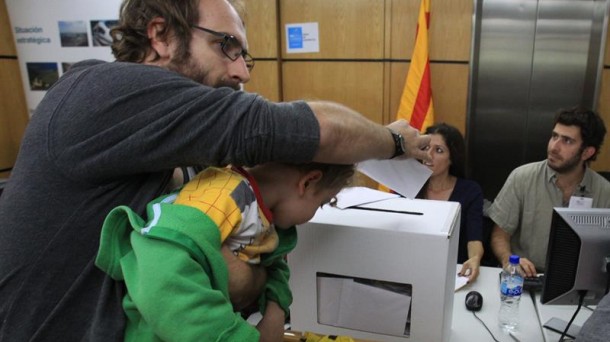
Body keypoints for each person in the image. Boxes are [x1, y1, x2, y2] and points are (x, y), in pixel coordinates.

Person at [0, 0, 432, 341]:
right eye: (226, 46)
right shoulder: (100, 90)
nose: (241, 70)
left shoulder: (179, 137)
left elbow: (236, 271)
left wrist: (260, 285)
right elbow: (313, 131)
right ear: (161, 35)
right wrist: (393, 142)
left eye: (245, 54)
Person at [95, 162, 354, 341]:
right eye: (321, 204)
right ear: (308, 182)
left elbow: (273, 260)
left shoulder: (260, 210)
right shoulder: (218, 199)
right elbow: (162, 280)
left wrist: (275, 311)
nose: (312, 216)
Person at [489, 107, 610, 277]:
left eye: (567, 141)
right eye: (554, 136)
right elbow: (499, 235)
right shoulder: (522, 177)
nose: (554, 147)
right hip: (526, 275)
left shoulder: (605, 192)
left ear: (587, 152)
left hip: (577, 280)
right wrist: (508, 260)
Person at [414, 123, 484, 283]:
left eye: (438, 150)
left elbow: (474, 238)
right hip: (413, 268)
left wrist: (475, 259)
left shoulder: (470, 191)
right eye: (425, 148)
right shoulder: (408, 186)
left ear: (452, 158)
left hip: (452, 272)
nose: (429, 155)